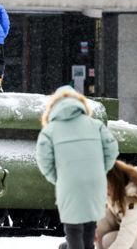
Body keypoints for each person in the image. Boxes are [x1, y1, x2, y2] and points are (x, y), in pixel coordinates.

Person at [35, 85, 119, 249]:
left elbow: (44, 159)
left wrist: (58, 178)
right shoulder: (95, 125)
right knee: (89, 226)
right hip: (94, 182)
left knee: (73, 229)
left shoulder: (50, 130)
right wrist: (101, 170)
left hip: (69, 182)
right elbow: (112, 149)